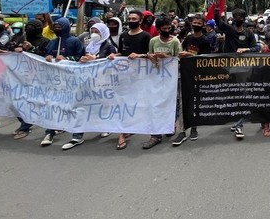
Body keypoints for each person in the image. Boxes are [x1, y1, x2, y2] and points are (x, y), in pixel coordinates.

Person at [61, 22, 117, 150]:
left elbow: (111, 61)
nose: (94, 34)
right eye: (92, 31)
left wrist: (96, 58)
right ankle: (77, 136)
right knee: (81, 107)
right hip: (85, 80)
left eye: (97, 31)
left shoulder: (108, 46)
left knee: (100, 106)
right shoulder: (88, 45)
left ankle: (104, 126)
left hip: (101, 83)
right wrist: (82, 59)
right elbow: (79, 57)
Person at [214, 0, 260, 139]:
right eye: (235, 16)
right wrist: (216, 7)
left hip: (244, 71)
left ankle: (239, 125)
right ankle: (235, 120)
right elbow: (217, 21)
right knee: (229, 96)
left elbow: (257, 48)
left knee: (243, 96)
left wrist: (246, 50)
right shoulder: (228, 29)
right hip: (228, 68)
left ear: (244, 18)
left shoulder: (248, 33)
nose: (237, 18)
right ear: (232, 18)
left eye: (240, 16)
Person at [108, 10, 152, 150]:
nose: (131, 20)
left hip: (140, 76)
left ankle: (134, 126)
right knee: (123, 103)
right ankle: (122, 133)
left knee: (137, 103)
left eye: (134, 18)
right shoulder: (123, 36)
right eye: (129, 18)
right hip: (124, 75)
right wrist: (114, 56)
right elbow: (121, 52)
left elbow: (150, 55)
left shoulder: (146, 36)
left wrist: (139, 55)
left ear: (140, 21)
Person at [40, 18, 85, 147]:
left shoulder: (75, 41)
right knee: (52, 105)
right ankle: (50, 131)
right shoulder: (53, 42)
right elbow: (46, 54)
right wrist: (47, 57)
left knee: (74, 107)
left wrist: (67, 59)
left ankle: (77, 135)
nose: (57, 29)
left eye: (60, 27)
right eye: (56, 27)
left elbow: (80, 57)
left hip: (71, 80)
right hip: (55, 80)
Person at [172, 15, 214, 146]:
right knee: (182, 103)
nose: (195, 24)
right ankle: (182, 131)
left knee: (195, 102)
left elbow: (206, 59)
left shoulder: (205, 40)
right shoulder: (188, 38)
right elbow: (181, 52)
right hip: (185, 74)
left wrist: (190, 55)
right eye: (194, 22)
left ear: (203, 25)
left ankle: (194, 128)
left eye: (198, 23)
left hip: (197, 75)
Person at [142, 17, 181, 149]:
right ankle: (155, 135)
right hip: (156, 77)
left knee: (171, 102)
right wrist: (151, 56)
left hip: (171, 78)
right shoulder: (153, 41)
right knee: (155, 104)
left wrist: (167, 57)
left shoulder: (175, 41)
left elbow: (178, 58)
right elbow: (149, 55)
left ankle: (171, 123)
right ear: (158, 29)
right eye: (163, 29)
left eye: (168, 28)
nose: (166, 30)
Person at [11, 19, 51, 139]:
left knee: (34, 101)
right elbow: (8, 50)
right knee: (14, 101)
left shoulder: (45, 41)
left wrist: (32, 49)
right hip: (20, 75)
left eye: (32, 26)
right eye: (28, 26)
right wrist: (15, 49)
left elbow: (46, 57)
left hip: (38, 77)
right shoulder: (20, 38)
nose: (29, 28)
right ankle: (25, 121)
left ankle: (26, 126)